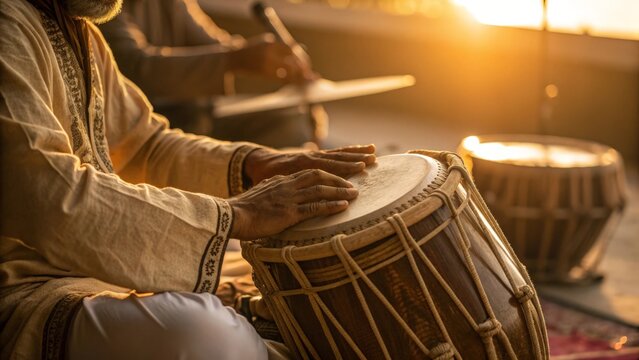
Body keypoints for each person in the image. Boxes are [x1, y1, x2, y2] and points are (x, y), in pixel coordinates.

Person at [0, 0, 375, 358]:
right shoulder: (8, 24)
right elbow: (50, 200)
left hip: (102, 266)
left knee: (308, 267)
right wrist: (234, 215)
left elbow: (145, 146)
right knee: (204, 335)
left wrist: (260, 163)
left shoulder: (79, 31)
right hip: (29, 288)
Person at [99, 0, 325, 148]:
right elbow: (136, 68)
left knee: (288, 118)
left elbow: (210, 42)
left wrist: (267, 57)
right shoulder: (98, 6)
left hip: (197, 117)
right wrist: (240, 58)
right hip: (148, 134)